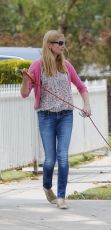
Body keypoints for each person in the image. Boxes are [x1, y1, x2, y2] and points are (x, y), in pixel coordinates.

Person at [20, 30, 91, 209]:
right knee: (50, 159)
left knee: (63, 157)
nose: (63, 46)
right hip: (46, 117)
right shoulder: (36, 66)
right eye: (59, 43)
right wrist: (25, 80)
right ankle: (46, 186)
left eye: (63, 42)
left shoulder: (66, 66)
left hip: (66, 115)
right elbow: (24, 94)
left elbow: (81, 87)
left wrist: (87, 105)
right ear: (49, 45)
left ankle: (61, 197)